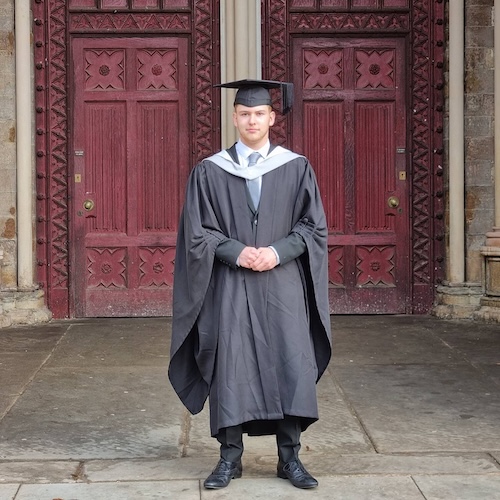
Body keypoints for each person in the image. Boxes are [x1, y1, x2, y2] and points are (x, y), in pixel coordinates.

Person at [168, 79, 332, 490]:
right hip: (231, 284)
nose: (252, 120)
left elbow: (313, 227)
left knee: (290, 361)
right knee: (231, 364)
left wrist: (276, 252)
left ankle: (289, 458)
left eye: (259, 114)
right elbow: (196, 231)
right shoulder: (210, 170)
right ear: (235, 118)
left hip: (283, 284)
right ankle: (229, 459)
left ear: (272, 118)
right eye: (244, 114)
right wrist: (236, 251)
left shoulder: (296, 167)